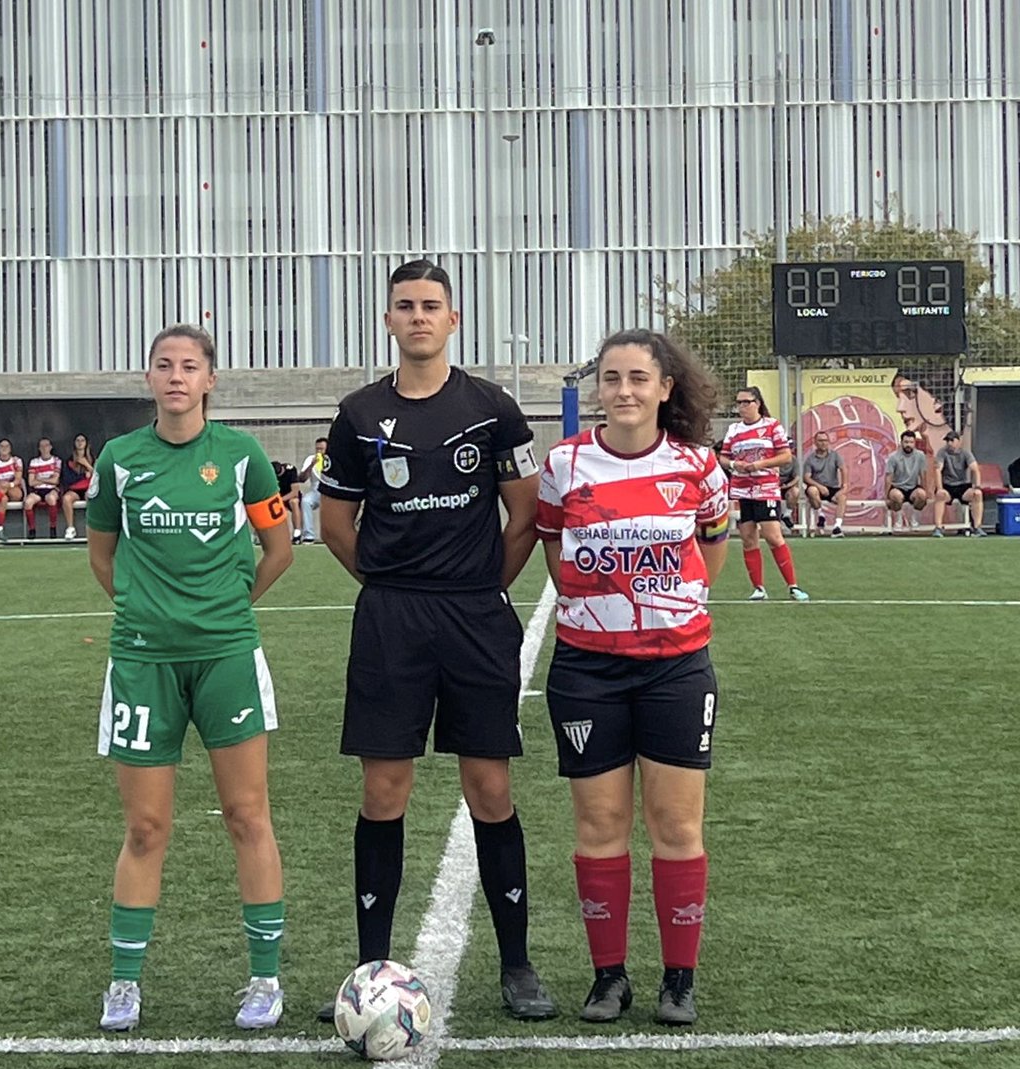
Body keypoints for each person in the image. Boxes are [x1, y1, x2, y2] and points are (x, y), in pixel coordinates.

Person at [318, 258, 557, 1021]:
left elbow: (524, 515)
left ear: (454, 319)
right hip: (392, 620)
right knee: (383, 791)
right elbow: (335, 525)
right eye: (404, 306)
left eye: (431, 305)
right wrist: (390, 586)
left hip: (475, 618)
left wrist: (484, 587)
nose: (418, 316)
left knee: (490, 789)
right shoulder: (357, 414)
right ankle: (368, 971)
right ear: (388, 320)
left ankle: (517, 965)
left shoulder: (494, 409)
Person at [87, 323, 293, 1033]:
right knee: (145, 827)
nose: (176, 376)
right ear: (148, 379)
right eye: (163, 365)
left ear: (210, 380)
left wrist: (226, 608)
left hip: (227, 657)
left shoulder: (241, 457)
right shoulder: (118, 460)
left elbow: (278, 548)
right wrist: (150, 614)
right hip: (143, 660)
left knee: (247, 815)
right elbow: (103, 557)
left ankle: (264, 978)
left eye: (189, 366)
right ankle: (123, 984)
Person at [537, 330, 729, 1026]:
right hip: (588, 668)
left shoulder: (699, 465)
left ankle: (679, 978)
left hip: (676, 667)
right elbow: (556, 546)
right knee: (600, 822)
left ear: (665, 387)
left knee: (676, 823)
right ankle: (608, 977)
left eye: (638, 378)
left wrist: (673, 614)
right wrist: (598, 611)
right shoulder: (565, 464)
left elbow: (712, 544)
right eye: (612, 378)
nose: (624, 391)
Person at [719, 387, 808, 601]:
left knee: (773, 536)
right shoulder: (733, 430)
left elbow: (786, 456)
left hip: (765, 487)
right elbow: (722, 458)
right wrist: (734, 464)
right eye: (738, 403)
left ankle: (793, 586)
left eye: (745, 402)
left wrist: (760, 464)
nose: (741, 407)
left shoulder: (772, 426)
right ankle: (758, 588)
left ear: (757, 403)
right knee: (748, 538)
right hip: (742, 488)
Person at [933, 430, 986, 537]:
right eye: (947, 440)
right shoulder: (942, 452)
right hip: (947, 486)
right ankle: (938, 528)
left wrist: (977, 487)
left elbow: (975, 469)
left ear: (958, 441)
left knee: (977, 495)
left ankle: (977, 527)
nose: (949, 443)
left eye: (952, 440)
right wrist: (939, 488)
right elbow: (938, 470)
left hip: (962, 486)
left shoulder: (966, 453)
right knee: (940, 495)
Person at [802, 430, 848, 537]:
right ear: (815, 442)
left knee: (842, 497)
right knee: (812, 490)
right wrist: (819, 486)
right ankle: (821, 515)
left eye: (826, 440)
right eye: (821, 440)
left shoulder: (835, 455)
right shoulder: (810, 459)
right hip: (817, 488)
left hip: (832, 487)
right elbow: (806, 478)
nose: (824, 443)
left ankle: (837, 527)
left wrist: (845, 485)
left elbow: (843, 469)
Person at [884, 430, 929, 533]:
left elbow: (923, 475)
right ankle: (899, 520)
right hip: (897, 487)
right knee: (895, 496)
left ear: (914, 443)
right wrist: (886, 496)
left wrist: (926, 492)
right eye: (906, 442)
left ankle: (914, 519)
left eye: (911, 442)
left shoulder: (920, 456)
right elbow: (888, 477)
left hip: (913, 487)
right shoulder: (893, 457)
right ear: (901, 443)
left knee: (921, 495)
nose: (908, 445)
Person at [0, 438, 25, 542]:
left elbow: (18, 479)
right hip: (0, 491)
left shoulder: (16, 460)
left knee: (3, 487)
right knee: (3, 499)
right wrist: (0, 486)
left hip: (15, 490)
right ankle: (0, 529)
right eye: (2, 446)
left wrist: (8, 484)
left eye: (6, 446)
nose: (4, 449)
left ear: (10, 449)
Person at [24, 437, 62, 539]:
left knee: (51, 499)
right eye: (42, 446)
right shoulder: (34, 462)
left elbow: (55, 481)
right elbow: (31, 482)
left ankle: (53, 529)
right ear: (39, 449)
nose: (44, 448)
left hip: (52, 489)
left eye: (46, 446)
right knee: (28, 502)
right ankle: (32, 530)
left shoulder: (56, 461)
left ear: (50, 447)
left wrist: (40, 479)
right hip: (37, 490)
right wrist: (48, 479)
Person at [61, 433, 94, 539]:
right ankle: (70, 528)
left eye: (82, 440)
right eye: (78, 441)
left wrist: (87, 465)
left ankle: (92, 527)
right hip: (74, 489)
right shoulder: (69, 461)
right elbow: (67, 479)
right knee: (66, 499)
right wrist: (83, 476)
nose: (80, 443)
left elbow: (98, 476)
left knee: (91, 497)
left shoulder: (93, 459)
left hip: (88, 489)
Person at [297, 436, 327, 544]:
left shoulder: (333, 459)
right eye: (317, 449)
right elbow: (302, 479)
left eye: (322, 449)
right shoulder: (311, 459)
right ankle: (308, 535)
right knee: (305, 501)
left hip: (329, 488)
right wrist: (311, 465)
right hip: (316, 488)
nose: (319, 451)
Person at [272, 459, 304, 545]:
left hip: (290, 495)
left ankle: (297, 532)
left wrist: (281, 500)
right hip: (277, 496)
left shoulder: (291, 470)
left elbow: (295, 492)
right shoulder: (270, 474)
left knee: (294, 502)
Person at [778, 441, 800, 531]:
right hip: (773, 486)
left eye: (791, 448)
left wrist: (787, 485)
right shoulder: (775, 459)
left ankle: (787, 514)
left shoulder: (794, 460)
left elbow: (797, 477)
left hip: (786, 487)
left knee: (795, 491)